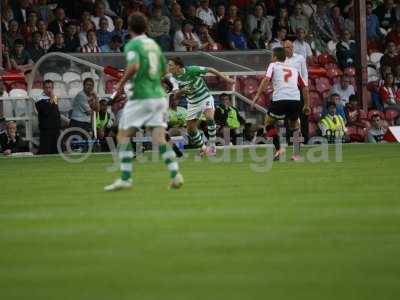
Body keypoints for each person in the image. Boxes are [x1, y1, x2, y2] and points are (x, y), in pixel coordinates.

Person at [104, 12, 183, 191]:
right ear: (146, 27)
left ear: (129, 27)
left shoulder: (133, 44)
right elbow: (163, 71)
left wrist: (121, 84)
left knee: (122, 135)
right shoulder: (154, 45)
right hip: (158, 97)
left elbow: (133, 66)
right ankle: (175, 174)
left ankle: (125, 178)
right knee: (159, 138)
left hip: (141, 96)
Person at [168, 57, 235, 156]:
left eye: (171, 65)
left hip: (205, 98)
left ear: (178, 66)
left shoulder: (191, 70)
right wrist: (184, 89)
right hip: (192, 103)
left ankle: (212, 146)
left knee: (209, 118)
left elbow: (211, 69)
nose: (169, 67)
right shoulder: (173, 78)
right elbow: (176, 96)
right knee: (190, 130)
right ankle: (204, 148)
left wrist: (226, 79)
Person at [253, 47, 310, 161]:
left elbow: (266, 80)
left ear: (274, 57)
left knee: (268, 123)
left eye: (272, 55)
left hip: (280, 99)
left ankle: (279, 148)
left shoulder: (273, 65)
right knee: (295, 126)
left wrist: (257, 96)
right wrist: (307, 105)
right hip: (295, 100)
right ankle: (296, 154)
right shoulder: (294, 70)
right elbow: (305, 88)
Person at [283, 40, 309, 143]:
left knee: (303, 114)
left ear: (292, 48)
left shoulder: (300, 58)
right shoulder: (280, 60)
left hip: (299, 88)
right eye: (285, 48)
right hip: (285, 90)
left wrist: (305, 88)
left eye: (289, 47)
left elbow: (305, 74)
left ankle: (305, 139)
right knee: (288, 116)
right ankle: (290, 140)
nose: (287, 49)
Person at [35, 80, 61, 154]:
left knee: (56, 150)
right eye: (46, 88)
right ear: (43, 88)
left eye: (50, 87)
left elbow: (56, 111)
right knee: (45, 150)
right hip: (46, 128)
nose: (48, 90)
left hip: (55, 127)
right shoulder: (39, 98)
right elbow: (45, 111)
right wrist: (51, 100)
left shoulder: (54, 97)